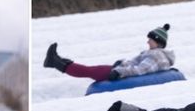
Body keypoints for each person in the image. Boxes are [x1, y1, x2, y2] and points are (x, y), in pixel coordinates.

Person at [44, 24, 174, 82]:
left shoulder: (155, 55)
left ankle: (55, 63)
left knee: (88, 71)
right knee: (91, 69)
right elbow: (137, 65)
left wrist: (119, 71)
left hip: (120, 75)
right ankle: (57, 60)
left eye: (150, 40)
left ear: (158, 42)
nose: (147, 42)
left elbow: (139, 70)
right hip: (120, 70)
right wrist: (122, 63)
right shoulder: (156, 54)